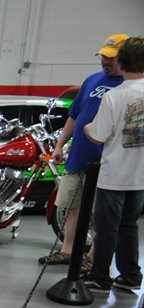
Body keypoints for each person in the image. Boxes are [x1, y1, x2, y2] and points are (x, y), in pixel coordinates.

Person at [39, 34, 127, 266]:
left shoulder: (129, 86)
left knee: (101, 213)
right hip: (78, 158)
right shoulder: (92, 80)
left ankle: (92, 258)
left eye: (112, 58)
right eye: (104, 57)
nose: (105, 62)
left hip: (107, 163)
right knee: (71, 206)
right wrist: (60, 145)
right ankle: (68, 250)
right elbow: (74, 116)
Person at [82, 36, 144, 293]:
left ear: (121, 61)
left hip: (114, 173)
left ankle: (100, 277)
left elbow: (97, 134)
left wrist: (87, 127)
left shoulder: (114, 96)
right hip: (140, 175)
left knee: (106, 228)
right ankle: (131, 275)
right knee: (129, 224)